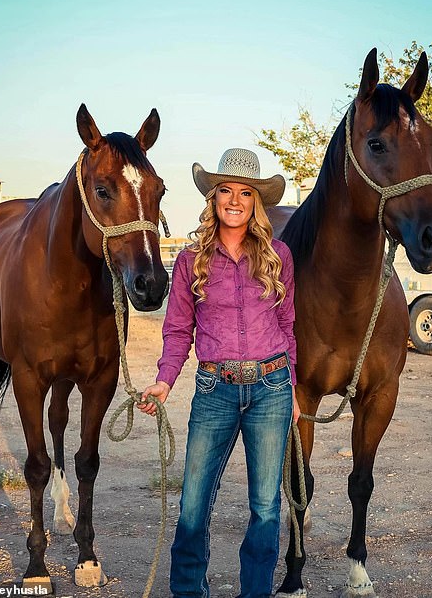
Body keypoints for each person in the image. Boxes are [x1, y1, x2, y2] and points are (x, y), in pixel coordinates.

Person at [138, 148, 300, 598]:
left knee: (266, 508)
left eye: (245, 193)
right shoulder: (192, 259)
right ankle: (189, 591)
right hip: (214, 389)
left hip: (272, 388)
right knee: (193, 505)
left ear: (256, 202)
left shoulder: (278, 255)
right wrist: (165, 380)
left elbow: (288, 326)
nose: (234, 200)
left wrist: (294, 385)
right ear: (213, 199)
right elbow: (177, 330)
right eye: (225, 191)